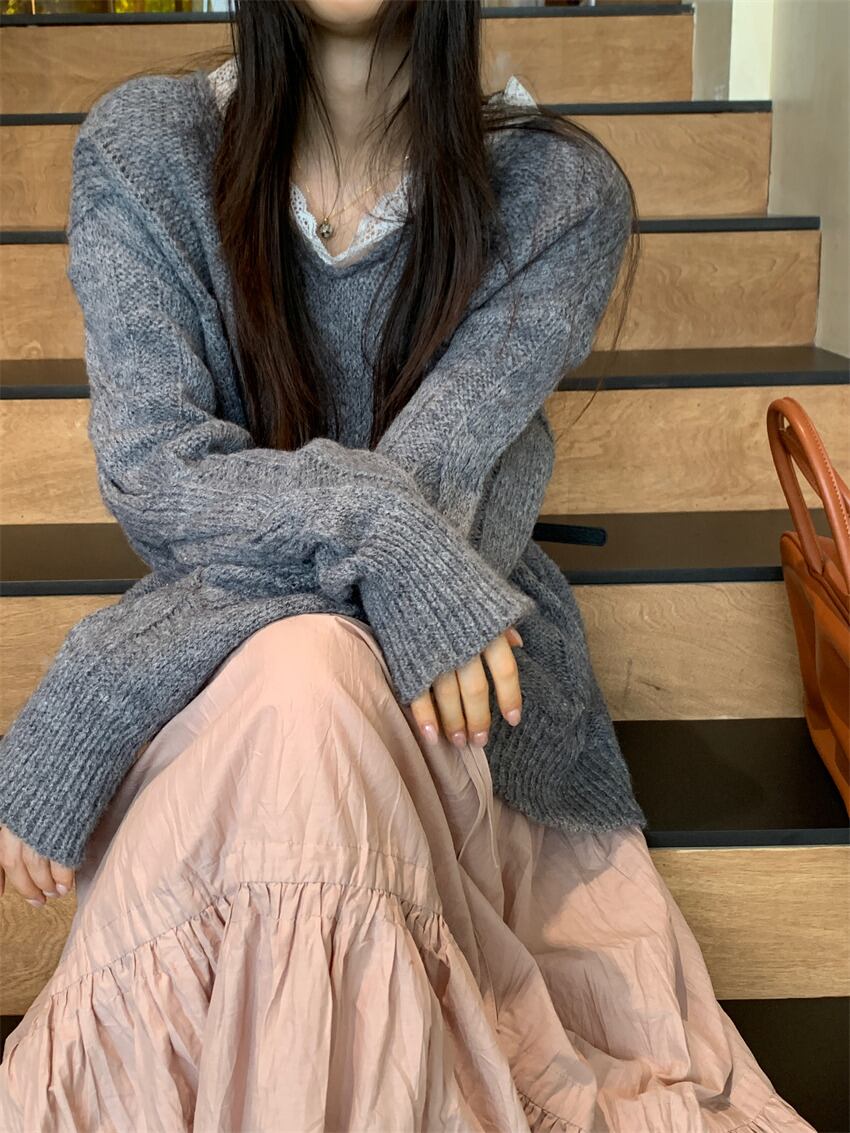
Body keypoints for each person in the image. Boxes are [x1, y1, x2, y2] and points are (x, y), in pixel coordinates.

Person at [0, 1, 815, 1129]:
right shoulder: (148, 151)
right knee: (303, 678)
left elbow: (435, 514)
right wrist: (379, 528)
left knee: (314, 675)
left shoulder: (554, 192)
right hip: (234, 716)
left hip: (456, 704)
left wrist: (102, 679)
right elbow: (158, 476)